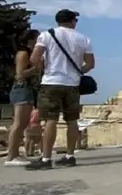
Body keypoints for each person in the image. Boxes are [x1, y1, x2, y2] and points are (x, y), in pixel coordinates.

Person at [26, 9, 95, 170]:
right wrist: (78, 73)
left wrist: (45, 68)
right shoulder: (83, 38)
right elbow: (90, 64)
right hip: (72, 84)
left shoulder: (47, 35)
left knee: (51, 120)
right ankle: (70, 156)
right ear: (72, 21)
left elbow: (34, 58)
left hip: (51, 82)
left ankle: (46, 159)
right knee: (72, 120)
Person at [5, 29, 41, 166]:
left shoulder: (30, 53)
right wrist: (35, 68)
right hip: (21, 89)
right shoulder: (23, 53)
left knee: (23, 124)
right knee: (19, 124)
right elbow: (20, 74)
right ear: (31, 39)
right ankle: (11, 156)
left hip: (28, 89)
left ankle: (15, 154)